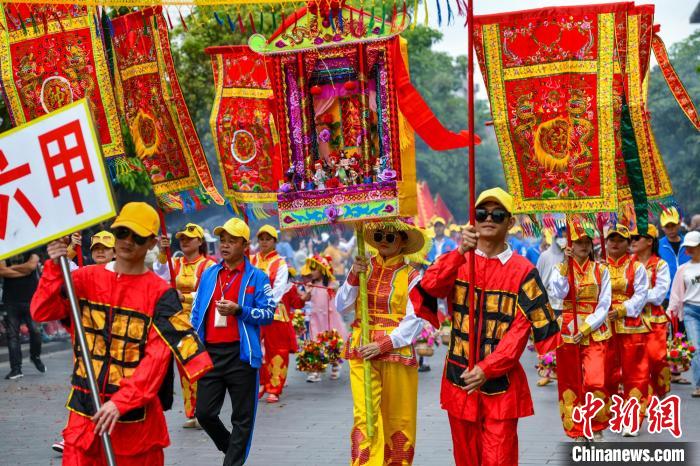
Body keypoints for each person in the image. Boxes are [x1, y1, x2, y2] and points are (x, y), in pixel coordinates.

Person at [31, 202, 213, 465]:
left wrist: (121, 402)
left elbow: (156, 361)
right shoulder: (83, 279)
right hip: (84, 421)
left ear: (151, 242)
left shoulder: (161, 295)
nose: (127, 241)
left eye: (137, 237)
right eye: (122, 233)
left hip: (136, 430)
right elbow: (41, 310)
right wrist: (54, 266)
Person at [411, 187, 561, 466]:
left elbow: (521, 329)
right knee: (465, 460)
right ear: (474, 219)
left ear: (510, 222)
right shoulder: (459, 260)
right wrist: (459, 253)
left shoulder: (523, 271)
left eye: (497, 213)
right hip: (460, 381)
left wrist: (487, 367)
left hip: (501, 388)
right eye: (482, 213)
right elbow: (430, 285)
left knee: (499, 460)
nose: (488, 218)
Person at [336, 221, 428, 465]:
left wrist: (385, 343)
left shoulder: (412, 277)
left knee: (399, 418)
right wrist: (354, 275)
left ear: (403, 241)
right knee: (364, 415)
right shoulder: (362, 268)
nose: (384, 241)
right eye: (379, 235)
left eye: (391, 236)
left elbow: (416, 317)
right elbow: (341, 306)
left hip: (396, 351)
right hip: (362, 349)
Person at [190, 218, 276, 466]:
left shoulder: (258, 277)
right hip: (211, 354)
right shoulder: (209, 274)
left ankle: (233, 462)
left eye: (232, 241)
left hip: (242, 355)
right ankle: (232, 451)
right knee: (204, 414)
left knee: (242, 418)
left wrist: (240, 310)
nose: (225, 246)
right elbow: (197, 312)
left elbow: (268, 313)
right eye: (222, 241)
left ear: (245, 245)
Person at [52, 231, 117, 455]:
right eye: (96, 248)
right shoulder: (82, 273)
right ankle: (72, 434)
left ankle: (97, 434)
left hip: (114, 347)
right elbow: (61, 273)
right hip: (85, 344)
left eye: (105, 248)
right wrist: (71, 247)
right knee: (84, 387)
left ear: (114, 251)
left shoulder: (122, 275)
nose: (100, 251)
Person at [548, 222, 612, 441]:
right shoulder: (561, 269)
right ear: (570, 245)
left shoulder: (601, 270)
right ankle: (576, 429)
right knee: (570, 381)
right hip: (568, 329)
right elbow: (559, 292)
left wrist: (586, 327)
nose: (583, 246)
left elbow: (604, 304)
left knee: (595, 380)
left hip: (594, 330)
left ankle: (596, 424)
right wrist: (566, 264)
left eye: (587, 242)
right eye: (578, 242)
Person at [154, 222, 216, 429]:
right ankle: (192, 412)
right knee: (184, 369)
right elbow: (159, 276)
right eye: (181, 238)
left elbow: (210, 292)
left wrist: (185, 296)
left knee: (199, 365)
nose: (184, 241)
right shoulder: (176, 262)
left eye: (189, 238)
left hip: (199, 321)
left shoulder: (209, 265)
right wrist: (163, 253)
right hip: (178, 321)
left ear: (200, 241)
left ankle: (204, 410)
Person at [604, 224, 649, 436]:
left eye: (620, 239)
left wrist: (622, 309)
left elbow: (641, 295)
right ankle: (610, 415)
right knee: (605, 374)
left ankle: (632, 419)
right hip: (603, 327)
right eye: (611, 239)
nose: (615, 243)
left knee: (635, 374)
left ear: (627, 244)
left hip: (631, 327)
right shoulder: (598, 266)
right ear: (605, 242)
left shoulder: (637, 267)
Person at [251, 225, 293, 403]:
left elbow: (278, 290)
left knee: (277, 350)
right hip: (252, 311)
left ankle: (274, 387)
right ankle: (261, 382)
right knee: (254, 348)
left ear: (275, 241)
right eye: (261, 239)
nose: (264, 242)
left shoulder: (280, 263)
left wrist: (265, 306)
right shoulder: (251, 260)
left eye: (268, 239)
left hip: (273, 312)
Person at [631, 225, 672, 400]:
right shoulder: (628, 263)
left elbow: (659, 295)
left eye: (637, 238)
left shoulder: (660, 265)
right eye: (631, 238)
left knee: (656, 358)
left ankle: (659, 392)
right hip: (632, 319)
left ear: (649, 241)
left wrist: (637, 295)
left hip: (654, 319)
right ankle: (641, 397)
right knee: (635, 360)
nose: (632, 241)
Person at [301, 254, 348, 382]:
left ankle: (335, 365)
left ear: (322, 270)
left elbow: (340, 295)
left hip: (330, 319)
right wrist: (305, 293)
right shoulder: (311, 285)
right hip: (316, 319)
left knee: (332, 343)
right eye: (310, 269)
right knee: (315, 344)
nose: (311, 272)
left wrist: (335, 289)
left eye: (314, 269)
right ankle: (316, 370)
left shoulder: (332, 284)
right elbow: (304, 299)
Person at [0, 250, 44, 380]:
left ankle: (35, 356)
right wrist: (23, 270)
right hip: (10, 300)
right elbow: (1, 271)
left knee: (35, 331)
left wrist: (11, 268)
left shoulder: (31, 245)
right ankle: (16, 369)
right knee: (12, 335)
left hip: (31, 298)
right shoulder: (4, 247)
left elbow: (31, 267)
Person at [668, 231, 700, 398]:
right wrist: (669, 313)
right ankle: (699, 385)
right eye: (687, 247)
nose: (689, 250)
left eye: (693, 247)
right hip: (690, 311)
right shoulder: (683, 269)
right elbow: (676, 294)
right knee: (696, 348)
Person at [535, 229, 567, 386]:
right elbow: (538, 278)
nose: (565, 239)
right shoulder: (545, 256)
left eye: (568, 235)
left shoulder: (570, 255)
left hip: (567, 304)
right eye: (562, 235)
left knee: (566, 341)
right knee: (549, 341)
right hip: (549, 303)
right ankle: (547, 372)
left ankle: (565, 373)